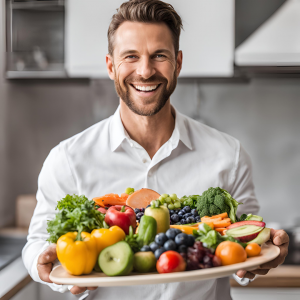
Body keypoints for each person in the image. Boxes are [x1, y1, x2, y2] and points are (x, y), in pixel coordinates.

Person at [22, 0, 289, 299]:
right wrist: (46, 266)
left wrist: (262, 258)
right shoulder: (68, 159)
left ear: (178, 62)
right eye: (131, 56)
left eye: (159, 55)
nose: (145, 71)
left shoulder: (229, 155)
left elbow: (247, 245)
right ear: (111, 66)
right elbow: (36, 244)